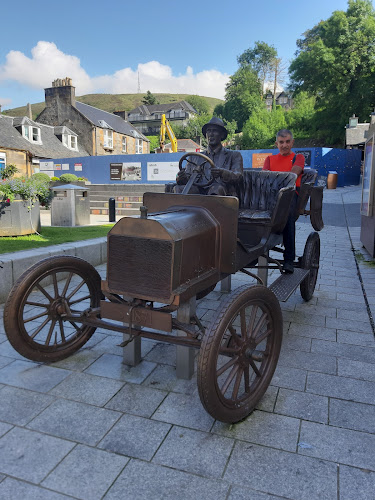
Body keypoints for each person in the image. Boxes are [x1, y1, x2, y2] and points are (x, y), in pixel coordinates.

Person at [263, 129, 305, 273]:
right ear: (277, 144)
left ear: (292, 142)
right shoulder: (269, 159)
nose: (285, 145)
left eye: (287, 142)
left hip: (290, 194)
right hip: (273, 194)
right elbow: (264, 178)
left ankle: (289, 259)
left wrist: (275, 179)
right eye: (281, 142)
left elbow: (292, 175)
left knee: (287, 216)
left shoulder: (298, 157)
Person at [175, 117, 243, 195]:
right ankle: (181, 207)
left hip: (222, 193)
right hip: (198, 191)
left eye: (215, 131)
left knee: (216, 189)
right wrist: (182, 177)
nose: (211, 134)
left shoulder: (233, 155)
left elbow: (238, 176)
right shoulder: (194, 157)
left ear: (222, 134)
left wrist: (222, 172)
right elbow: (187, 179)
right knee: (179, 189)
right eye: (208, 131)